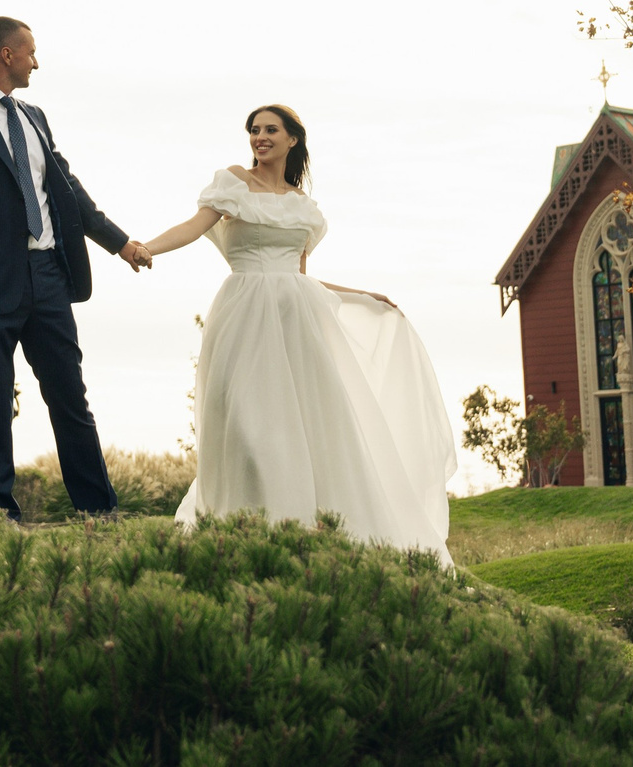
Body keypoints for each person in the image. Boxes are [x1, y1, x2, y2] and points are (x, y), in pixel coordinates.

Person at [139, 104, 456, 560]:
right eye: (253, 130)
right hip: (243, 316)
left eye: (270, 130)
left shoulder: (303, 208)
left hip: (296, 322)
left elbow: (301, 274)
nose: (259, 137)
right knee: (245, 425)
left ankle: (306, 532)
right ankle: (241, 531)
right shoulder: (232, 183)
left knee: (305, 427)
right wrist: (146, 248)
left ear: (292, 139)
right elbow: (192, 227)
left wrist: (361, 295)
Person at [0, 16, 153, 518]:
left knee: (71, 397)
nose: (36, 62)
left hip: (48, 277)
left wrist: (121, 244)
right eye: (30, 53)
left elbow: (68, 193)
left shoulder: (36, 117)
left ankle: (98, 509)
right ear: (7, 54)